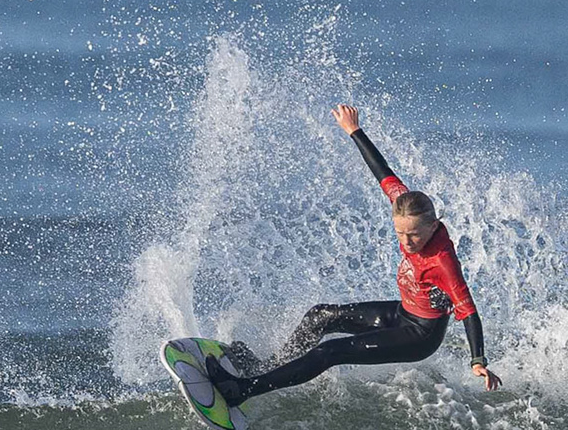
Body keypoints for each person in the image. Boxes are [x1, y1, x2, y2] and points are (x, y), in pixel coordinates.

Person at [205, 104, 502, 404]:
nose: (407, 241)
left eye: (414, 234)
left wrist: (478, 360)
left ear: (433, 225)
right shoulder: (406, 206)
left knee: (330, 351)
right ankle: (265, 367)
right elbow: (383, 172)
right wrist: (354, 130)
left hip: (420, 335)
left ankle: (242, 390)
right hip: (402, 313)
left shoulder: (442, 261)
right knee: (320, 316)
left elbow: (469, 312)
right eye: (400, 233)